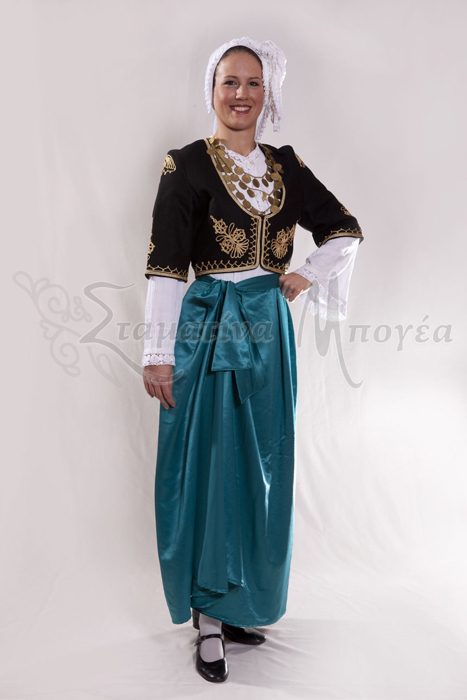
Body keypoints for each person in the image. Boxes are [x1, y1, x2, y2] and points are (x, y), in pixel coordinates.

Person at [141, 37, 364, 683]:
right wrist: (158, 355)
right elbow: (164, 265)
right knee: (213, 463)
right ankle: (208, 615)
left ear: (270, 94)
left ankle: (239, 601)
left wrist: (306, 275)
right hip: (208, 328)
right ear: (212, 90)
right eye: (229, 82)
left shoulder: (287, 166)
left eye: (253, 84)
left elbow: (344, 229)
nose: (240, 95)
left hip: (267, 330)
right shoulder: (185, 165)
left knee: (263, 462)